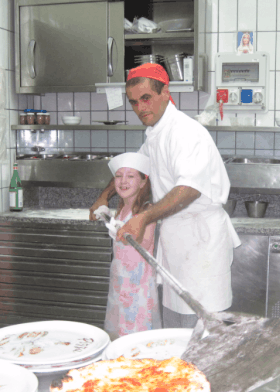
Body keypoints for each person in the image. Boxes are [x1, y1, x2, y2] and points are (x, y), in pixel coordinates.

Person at [90, 63, 241, 329]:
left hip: (200, 243)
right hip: (176, 242)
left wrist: (144, 217)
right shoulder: (155, 134)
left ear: (164, 93)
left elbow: (190, 189)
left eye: (146, 98)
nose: (140, 108)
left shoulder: (185, 132)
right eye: (134, 102)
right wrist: (104, 197)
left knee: (202, 329)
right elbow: (133, 167)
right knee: (177, 328)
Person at [98, 152, 161, 340]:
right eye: (119, 176)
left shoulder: (147, 210)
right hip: (120, 278)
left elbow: (146, 243)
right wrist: (107, 217)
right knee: (119, 327)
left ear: (143, 182)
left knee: (137, 331)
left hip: (138, 282)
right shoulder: (122, 208)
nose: (123, 181)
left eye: (131, 176)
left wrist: (123, 231)